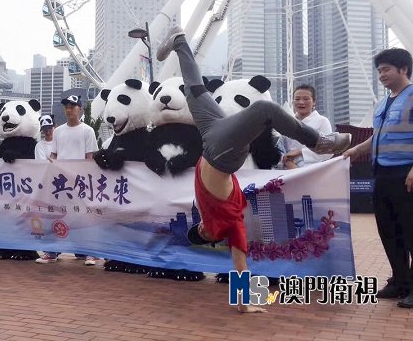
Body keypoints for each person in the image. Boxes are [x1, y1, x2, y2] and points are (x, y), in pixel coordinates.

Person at [157, 26, 350, 313]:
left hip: (217, 147)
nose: (202, 227)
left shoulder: (214, 222)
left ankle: (180, 42)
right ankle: (180, 43)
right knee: (259, 110)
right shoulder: (228, 227)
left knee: (199, 89)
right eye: (203, 232)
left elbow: (235, 259)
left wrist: (244, 304)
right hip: (218, 145)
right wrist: (245, 304)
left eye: (199, 228)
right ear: (210, 237)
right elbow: (240, 265)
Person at [343, 48, 413, 309]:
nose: (381, 75)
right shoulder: (383, 103)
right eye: (379, 70)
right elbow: (379, 136)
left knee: (410, 230)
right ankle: (400, 282)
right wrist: (357, 149)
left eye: (386, 69)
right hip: (382, 173)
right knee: (389, 230)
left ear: (403, 69)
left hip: (406, 174)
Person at [36, 96, 100, 265]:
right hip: (61, 182)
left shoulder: (88, 131)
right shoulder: (58, 131)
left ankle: (89, 253)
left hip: (80, 181)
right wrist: (52, 162)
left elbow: (89, 157)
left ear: (80, 109)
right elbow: (54, 154)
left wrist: (84, 175)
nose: (69, 109)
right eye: (66, 106)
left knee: (83, 216)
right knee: (57, 214)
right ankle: (51, 251)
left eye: (72, 106)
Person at [277, 84, 333, 169]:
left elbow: (328, 151)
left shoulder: (322, 121)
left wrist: (300, 152)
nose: (301, 102)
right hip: (287, 170)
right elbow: (280, 147)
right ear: (293, 101)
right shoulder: (287, 122)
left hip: (313, 170)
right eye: (297, 99)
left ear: (314, 102)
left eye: (306, 99)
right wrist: (288, 162)